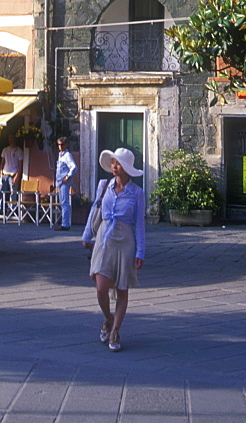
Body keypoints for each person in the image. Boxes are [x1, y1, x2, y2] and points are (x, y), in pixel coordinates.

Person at [82, 147, 145, 353]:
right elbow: (95, 210)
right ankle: (108, 319)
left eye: (118, 163)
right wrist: (86, 236)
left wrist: (140, 252)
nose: (114, 166)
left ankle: (115, 330)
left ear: (127, 168)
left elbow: (139, 224)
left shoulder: (137, 193)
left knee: (122, 289)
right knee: (101, 286)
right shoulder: (104, 185)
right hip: (104, 238)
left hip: (126, 241)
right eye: (113, 163)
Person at [54, 137, 78, 231]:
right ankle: (64, 223)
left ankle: (65, 224)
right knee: (62, 202)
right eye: (59, 145)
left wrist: (67, 177)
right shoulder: (61, 155)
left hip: (64, 182)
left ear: (66, 144)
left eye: (62, 144)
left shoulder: (67, 155)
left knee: (65, 203)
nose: (60, 146)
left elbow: (74, 167)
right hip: (60, 182)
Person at [0, 133, 23, 212]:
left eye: (12, 138)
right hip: (4, 174)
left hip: (13, 175)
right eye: (10, 138)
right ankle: (0, 209)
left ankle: (12, 210)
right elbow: (2, 162)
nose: (11, 140)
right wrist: (1, 173)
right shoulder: (5, 150)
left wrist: (17, 176)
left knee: (13, 193)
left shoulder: (19, 151)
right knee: (1, 192)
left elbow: (20, 165)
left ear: (15, 139)